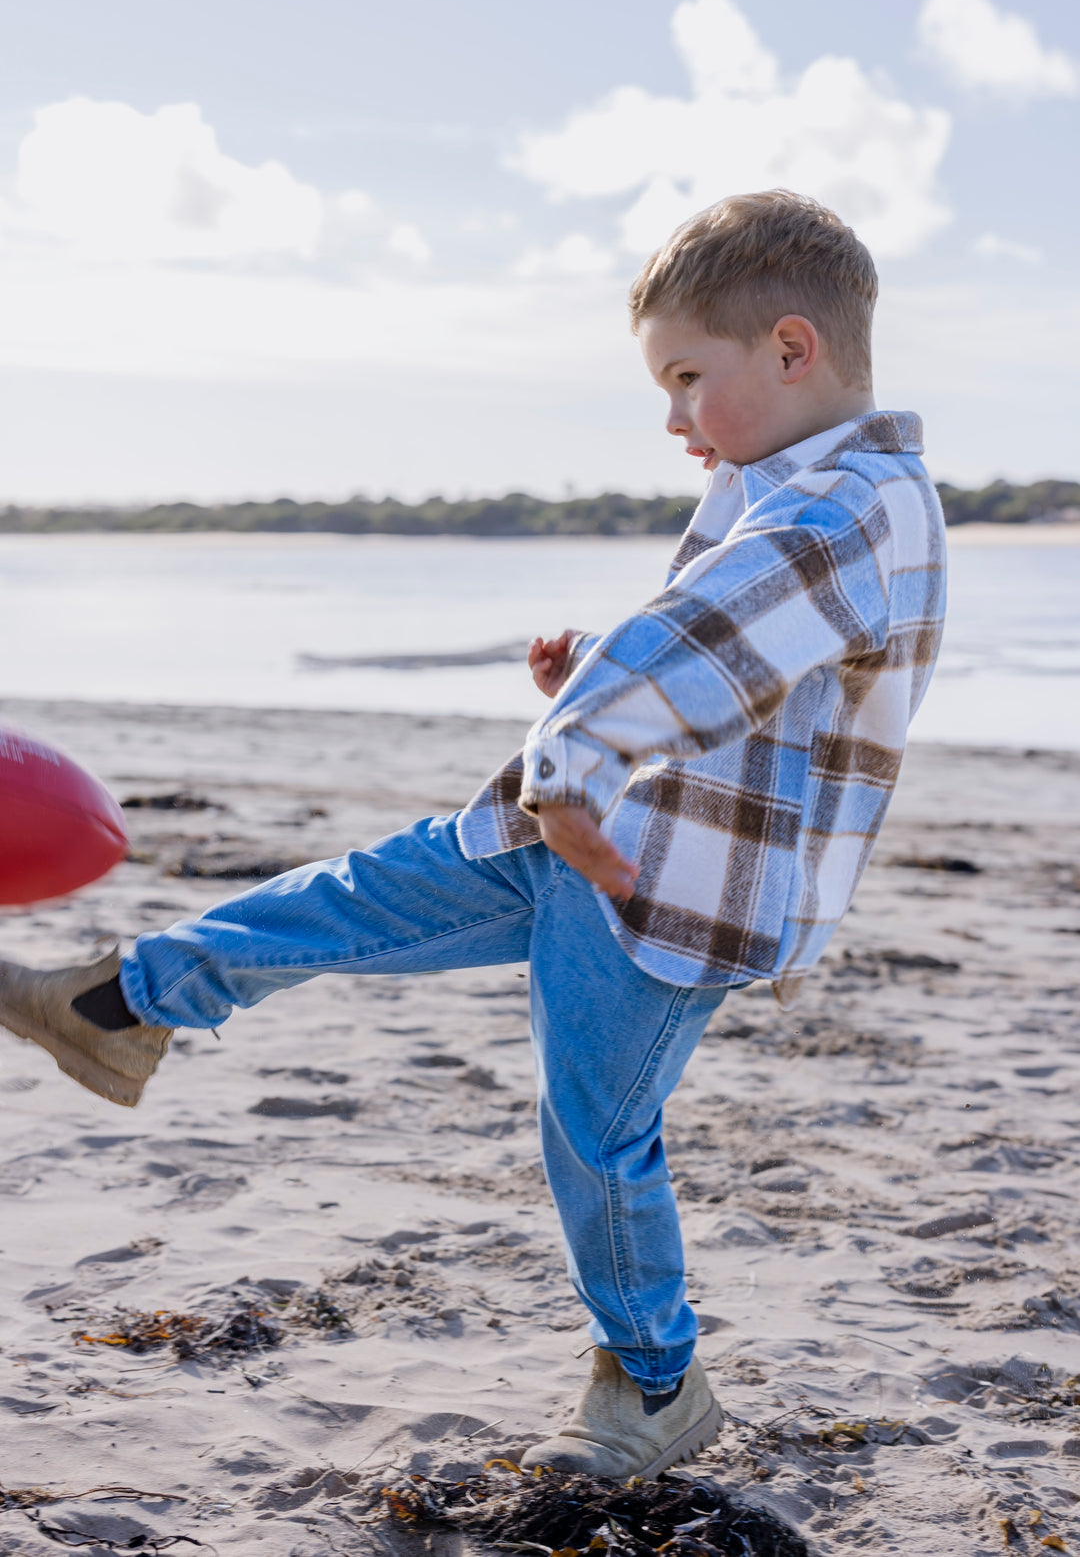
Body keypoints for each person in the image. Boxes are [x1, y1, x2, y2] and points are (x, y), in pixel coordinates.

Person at [0, 190, 947, 1479]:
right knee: (346, 896)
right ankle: (123, 1007)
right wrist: (589, 690)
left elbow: (701, 648)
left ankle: (658, 1384)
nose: (671, 419)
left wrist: (586, 736)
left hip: (665, 896)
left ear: (793, 350)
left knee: (596, 1137)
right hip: (596, 828)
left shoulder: (853, 511)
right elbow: (725, 668)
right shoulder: (789, 488)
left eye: (685, 379)